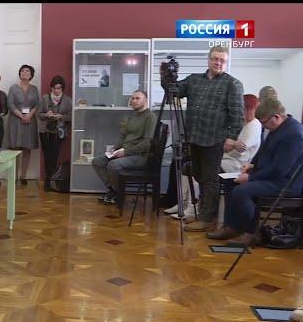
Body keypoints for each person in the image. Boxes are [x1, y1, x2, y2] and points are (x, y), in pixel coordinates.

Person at [206, 98, 303, 245]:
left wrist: (250, 178)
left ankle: (251, 233)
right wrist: (252, 165)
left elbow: (280, 169)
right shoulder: (278, 128)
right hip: (274, 177)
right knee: (230, 182)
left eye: (264, 122)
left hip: (286, 183)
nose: (263, 126)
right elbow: (264, 151)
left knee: (242, 191)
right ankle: (233, 227)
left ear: (276, 117)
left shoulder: (293, 134)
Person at [168, 46, 244, 232]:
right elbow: (173, 91)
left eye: (222, 60)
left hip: (214, 139)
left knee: (210, 180)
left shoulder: (232, 84)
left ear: (226, 63)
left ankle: (207, 219)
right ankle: (203, 213)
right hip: (193, 137)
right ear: (209, 60)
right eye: (215, 59)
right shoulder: (194, 80)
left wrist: (231, 138)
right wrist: (167, 77)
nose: (218, 63)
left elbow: (237, 114)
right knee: (199, 177)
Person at [92, 90, 157, 204]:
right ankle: (113, 190)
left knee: (113, 165)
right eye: (133, 98)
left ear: (145, 100)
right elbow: (124, 136)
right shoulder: (133, 116)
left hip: (140, 156)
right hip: (125, 152)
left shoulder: (150, 117)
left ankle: (118, 194)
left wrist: (126, 152)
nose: (134, 101)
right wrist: (115, 148)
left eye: (137, 98)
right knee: (97, 161)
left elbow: (147, 143)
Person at [6, 64, 40, 185]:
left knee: (27, 148)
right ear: (19, 74)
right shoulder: (13, 88)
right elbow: (10, 104)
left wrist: (30, 115)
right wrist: (21, 115)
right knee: (15, 150)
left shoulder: (34, 89)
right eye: (23, 71)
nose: (25, 72)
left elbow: (37, 104)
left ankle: (23, 176)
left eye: (27, 71)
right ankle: (14, 176)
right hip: (16, 121)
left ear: (31, 75)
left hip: (30, 121)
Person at [37, 75, 72, 191]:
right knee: (47, 155)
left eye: (59, 88)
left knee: (55, 155)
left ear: (62, 88)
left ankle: (51, 179)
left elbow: (71, 115)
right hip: (45, 130)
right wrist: (47, 115)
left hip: (59, 131)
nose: (56, 91)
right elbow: (39, 114)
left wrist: (61, 116)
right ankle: (48, 179)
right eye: (54, 88)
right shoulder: (45, 98)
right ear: (51, 88)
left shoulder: (67, 100)